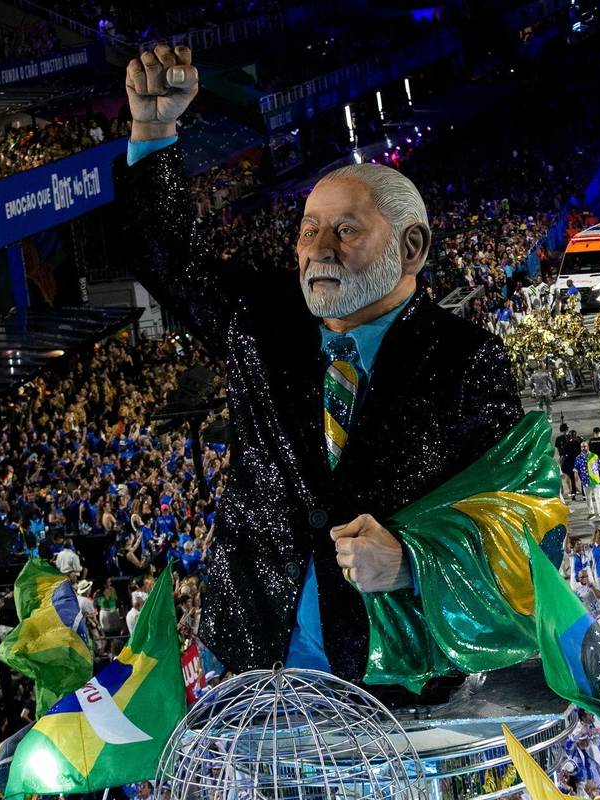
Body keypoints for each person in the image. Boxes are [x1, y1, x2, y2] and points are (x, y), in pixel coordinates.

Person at [123, 45, 524, 682]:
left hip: (395, 677)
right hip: (254, 657)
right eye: (309, 229)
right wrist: (153, 130)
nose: (318, 249)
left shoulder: (467, 361)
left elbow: (516, 515)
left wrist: (412, 562)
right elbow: (165, 257)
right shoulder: (260, 321)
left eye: (346, 229)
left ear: (411, 246)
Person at [574, 441, 600, 521]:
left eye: (585, 446)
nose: (583, 448)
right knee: (588, 498)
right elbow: (576, 469)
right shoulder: (578, 458)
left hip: (595, 480)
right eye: (582, 447)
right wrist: (576, 478)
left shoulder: (594, 456)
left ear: (588, 447)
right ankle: (591, 513)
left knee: (598, 497)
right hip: (585, 481)